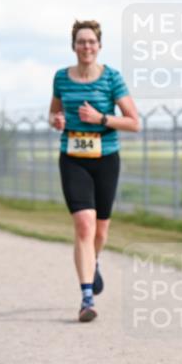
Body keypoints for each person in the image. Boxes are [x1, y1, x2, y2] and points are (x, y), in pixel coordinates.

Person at [49, 20, 140, 323]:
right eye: (81, 41)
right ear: (73, 46)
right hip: (72, 158)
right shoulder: (61, 78)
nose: (86, 46)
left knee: (100, 230)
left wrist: (100, 118)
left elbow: (133, 122)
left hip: (106, 158)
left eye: (91, 42)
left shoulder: (111, 78)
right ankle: (87, 298)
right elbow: (53, 113)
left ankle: (94, 260)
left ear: (99, 46)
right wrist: (57, 121)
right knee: (84, 226)